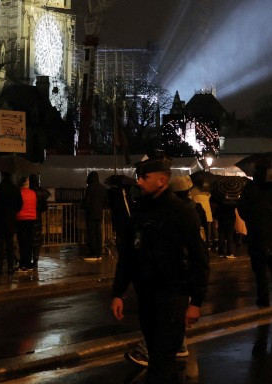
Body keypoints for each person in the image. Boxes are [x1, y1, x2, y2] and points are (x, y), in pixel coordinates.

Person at [110, 155, 209, 384]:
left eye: (145, 178)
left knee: (161, 364)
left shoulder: (182, 212)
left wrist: (196, 302)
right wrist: (118, 292)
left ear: (162, 181)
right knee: (156, 357)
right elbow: (128, 255)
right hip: (146, 296)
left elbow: (199, 257)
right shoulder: (140, 212)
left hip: (173, 296)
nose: (140, 183)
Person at [237, 162, 272, 307]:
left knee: (259, 270)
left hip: (255, 232)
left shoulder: (249, 188)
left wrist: (251, 220)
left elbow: (241, 210)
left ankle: (263, 298)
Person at [0, 172, 21, 276]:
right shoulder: (15, 189)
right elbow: (20, 204)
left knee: (0, 245)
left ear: (2, 176)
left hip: (0, 220)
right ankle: (10, 267)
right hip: (11, 220)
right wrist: (13, 212)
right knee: (10, 244)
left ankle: (0, 267)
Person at [82, 171, 108, 261]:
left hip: (90, 214)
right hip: (99, 214)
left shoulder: (90, 188)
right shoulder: (103, 188)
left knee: (91, 233)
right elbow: (105, 203)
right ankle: (99, 252)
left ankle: (92, 252)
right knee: (98, 233)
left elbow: (87, 202)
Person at [15, 177, 39, 271]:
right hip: (31, 219)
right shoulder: (33, 193)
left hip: (21, 218)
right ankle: (28, 262)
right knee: (29, 241)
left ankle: (23, 262)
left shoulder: (19, 192)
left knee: (21, 241)